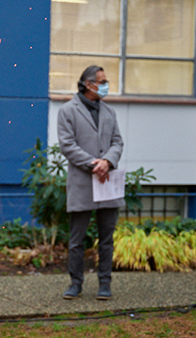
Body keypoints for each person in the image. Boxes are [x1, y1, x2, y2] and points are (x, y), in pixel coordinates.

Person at [58, 65, 124, 301]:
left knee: (106, 239)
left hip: (107, 183)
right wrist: (94, 163)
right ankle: (76, 283)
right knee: (77, 240)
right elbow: (67, 145)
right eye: (102, 81)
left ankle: (104, 283)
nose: (106, 85)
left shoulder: (109, 112)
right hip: (83, 183)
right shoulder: (68, 111)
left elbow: (118, 142)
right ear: (88, 83)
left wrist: (107, 161)